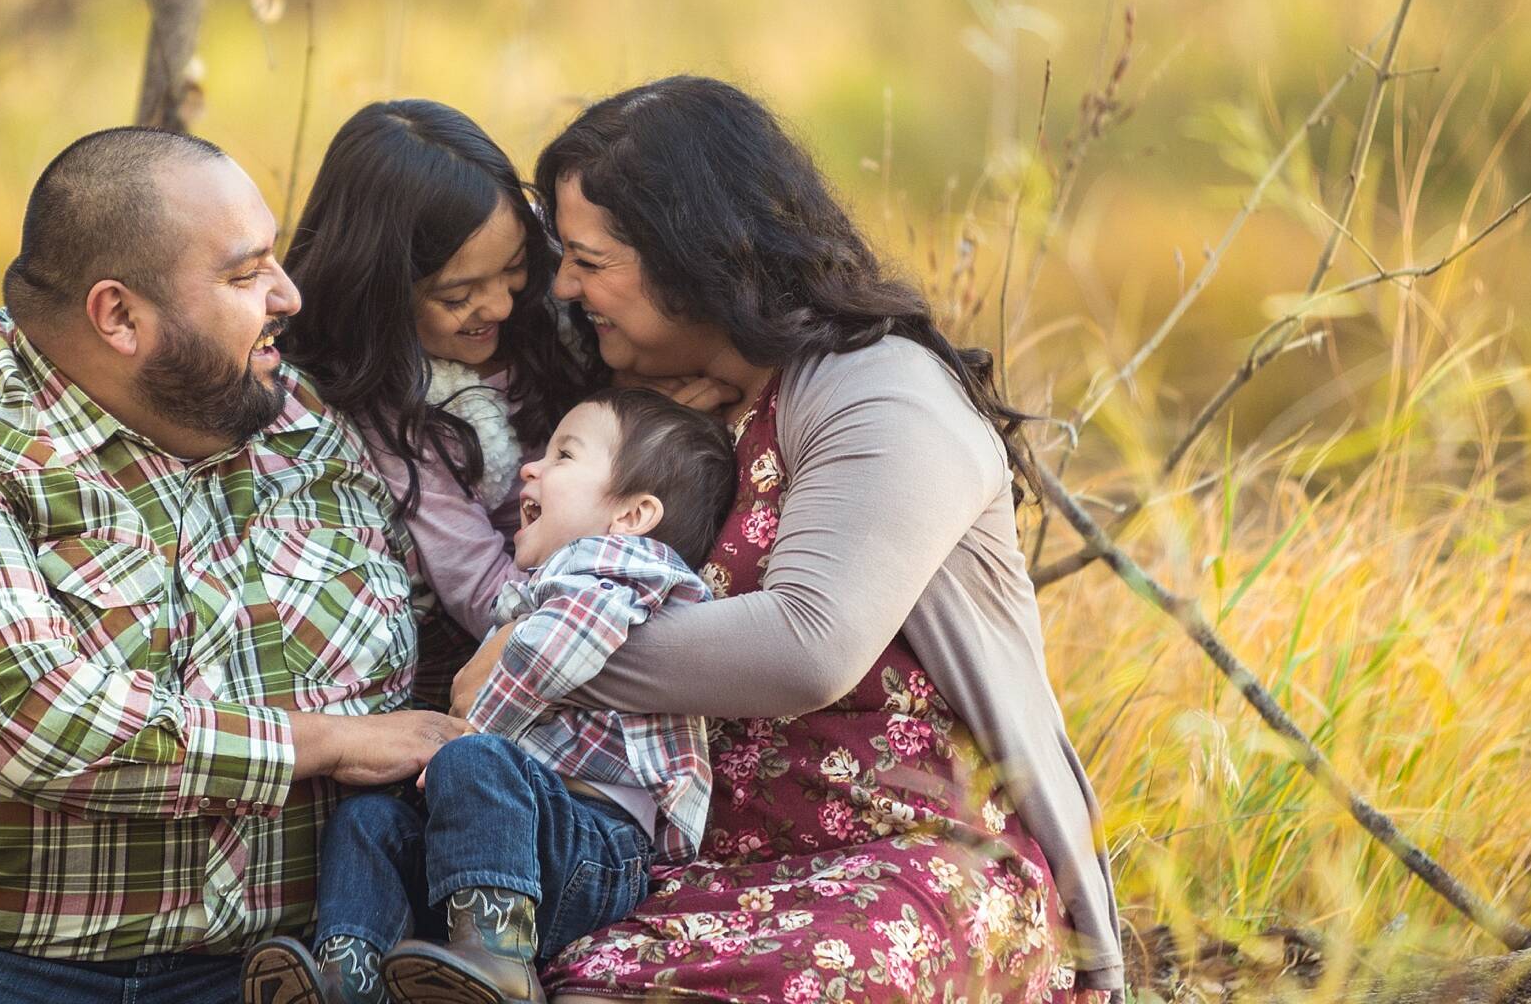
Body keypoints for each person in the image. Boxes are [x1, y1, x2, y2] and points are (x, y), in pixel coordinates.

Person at [450, 76, 1126, 1002]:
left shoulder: (880, 391)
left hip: (912, 861)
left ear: (692, 259)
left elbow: (809, 642)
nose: (564, 286)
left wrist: (535, 656)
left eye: (589, 260)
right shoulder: (693, 409)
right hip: (705, 864)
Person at [0, 127, 470, 1004]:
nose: (288, 296)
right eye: (245, 274)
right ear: (120, 316)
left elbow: (432, 658)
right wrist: (323, 742)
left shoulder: (310, 435)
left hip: (298, 960)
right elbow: (29, 715)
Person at [242, 389, 737, 1004]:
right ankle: (349, 969)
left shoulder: (627, 566)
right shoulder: (545, 581)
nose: (532, 467)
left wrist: (469, 735)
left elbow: (558, 650)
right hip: (516, 845)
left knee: (474, 760)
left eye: (564, 456)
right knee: (369, 820)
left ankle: (499, 961)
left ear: (633, 515)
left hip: (594, 847)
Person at [277, 99, 600, 689]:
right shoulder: (397, 413)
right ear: (379, 294)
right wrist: (599, 608)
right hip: (547, 625)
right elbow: (479, 588)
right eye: (458, 296)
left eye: (513, 268)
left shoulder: (557, 314)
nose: (500, 305)